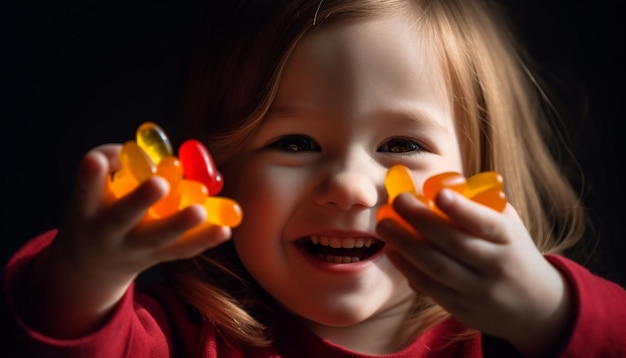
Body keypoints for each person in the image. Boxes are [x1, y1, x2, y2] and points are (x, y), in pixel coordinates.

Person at [3, 0, 626, 356]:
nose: (351, 186)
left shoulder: (514, 340)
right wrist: (87, 274)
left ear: (479, 174)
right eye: (294, 142)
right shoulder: (181, 339)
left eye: (402, 144)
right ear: (224, 177)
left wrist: (550, 311)